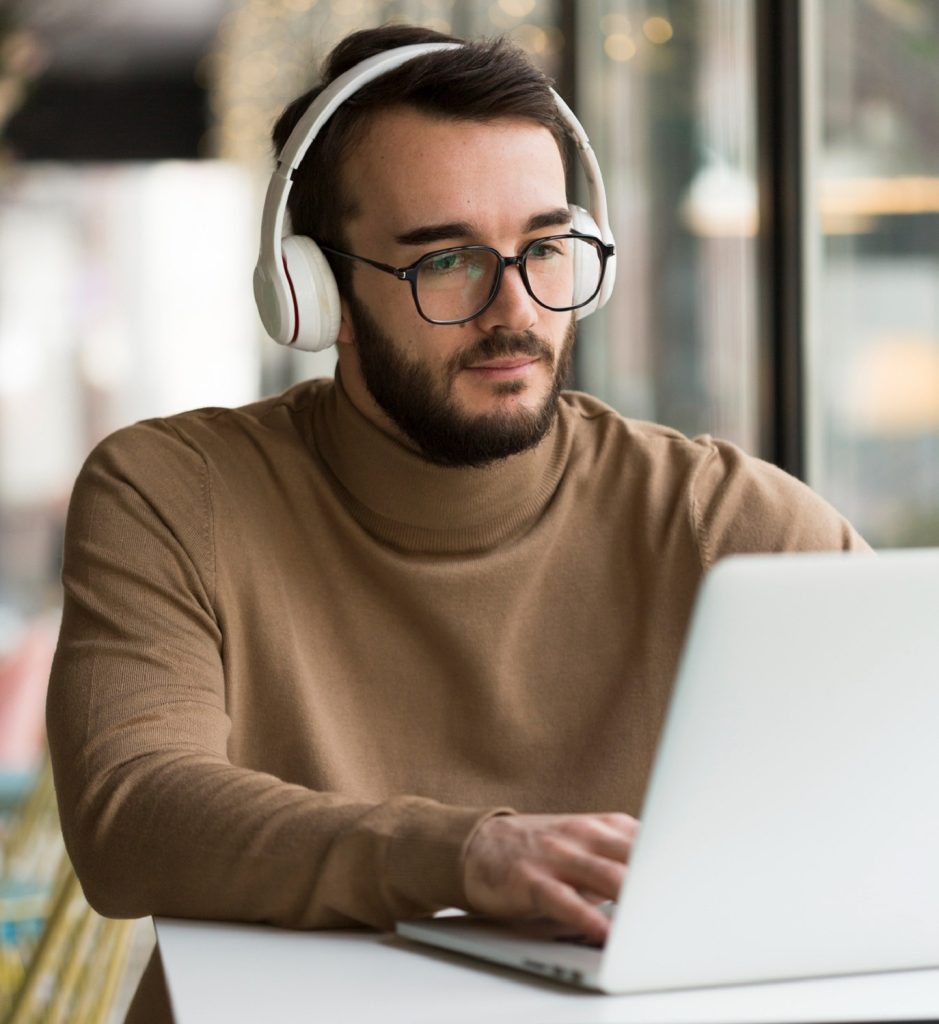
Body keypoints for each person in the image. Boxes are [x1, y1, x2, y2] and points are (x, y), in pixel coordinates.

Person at [46, 23, 868, 1024]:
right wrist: (469, 852)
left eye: (548, 249)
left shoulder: (716, 515)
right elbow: (132, 815)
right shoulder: (173, 491)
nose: (514, 309)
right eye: (446, 262)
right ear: (320, 293)